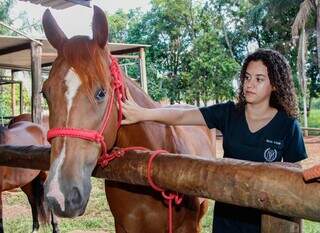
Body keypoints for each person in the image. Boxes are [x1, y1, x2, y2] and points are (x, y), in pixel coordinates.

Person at [121, 48, 307, 233]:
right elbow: (181, 116)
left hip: (266, 219)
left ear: (275, 85)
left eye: (259, 79)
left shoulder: (288, 126)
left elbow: (295, 181)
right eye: (247, 77)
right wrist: (143, 113)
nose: (249, 84)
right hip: (227, 215)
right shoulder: (228, 113)